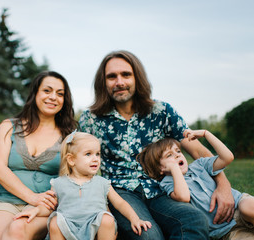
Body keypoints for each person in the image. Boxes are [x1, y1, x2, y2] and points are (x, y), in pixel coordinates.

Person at [78, 50, 235, 239]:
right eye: (112, 77)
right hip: (121, 193)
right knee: (149, 235)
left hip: (161, 188)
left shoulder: (161, 111)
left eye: (126, 75)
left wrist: (223, 185)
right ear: (103, 82)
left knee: (194, 220)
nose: (119, 82)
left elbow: (198, 150)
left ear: (137, 77)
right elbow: (81, 163)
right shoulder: (91, 119)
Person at [0, 71, 77, 240]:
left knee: (17, 229)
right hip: (5, 201)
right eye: (47, 91)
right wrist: (32, 197)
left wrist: (45, 202)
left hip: (47, 206)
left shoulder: (69, 137)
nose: (53, 97)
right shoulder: (8, 126)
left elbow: (73, 178)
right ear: (35, 94)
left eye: (60, 93)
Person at [15, 131, 152, 240]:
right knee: (55, 221)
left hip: (96, 229)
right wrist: (36, 211)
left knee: (106, 219)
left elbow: (120, 203)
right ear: (71, 159)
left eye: (97, 154)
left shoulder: (102, 183)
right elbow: (49, 207)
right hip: (68, 228)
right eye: (88, 154)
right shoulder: (59, 183)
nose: (95, 159)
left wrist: (135, 219)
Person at [138, 129, 254, 239]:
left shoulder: (199, 165)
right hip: (226, 230)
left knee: (248, 208)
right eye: (169, 155)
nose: (178, 155)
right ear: (160, 168)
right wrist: (174, 168)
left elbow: (227, 157)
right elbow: (184, 196)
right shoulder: (167, 183)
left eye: (178, 151)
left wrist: (206, 134)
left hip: (238, 205)